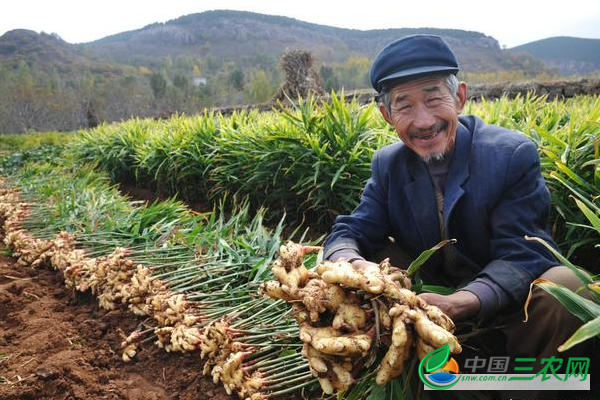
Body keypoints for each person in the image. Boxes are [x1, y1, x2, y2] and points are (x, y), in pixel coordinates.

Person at [323, 34, 595, 397]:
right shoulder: (388, 165)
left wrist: (461, 302)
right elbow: (352, 229)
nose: (423, 121)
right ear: (387, 115)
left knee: (566, 285)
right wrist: (352, 264)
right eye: (404, 105)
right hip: (429, 305)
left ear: (460, 97)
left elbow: (524, 250)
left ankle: (535, 385)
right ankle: (419, 374)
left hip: (508, 305)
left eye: (434, 98)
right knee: (353, 266)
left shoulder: (510, 155)